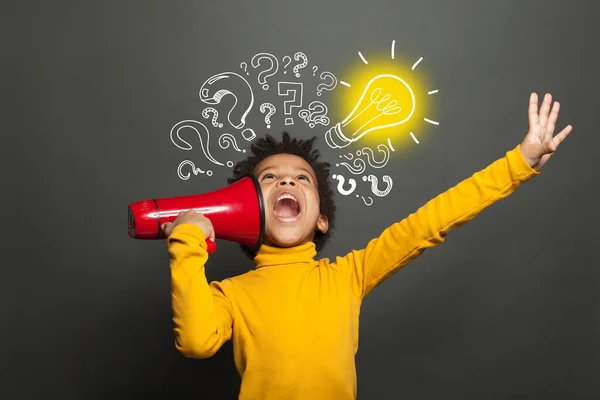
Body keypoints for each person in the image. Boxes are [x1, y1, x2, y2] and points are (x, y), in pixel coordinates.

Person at [161, 92, 572, 399]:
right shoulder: (229, 295)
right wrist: (188, 241)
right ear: (245, 212)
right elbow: (196, 341)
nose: (286, 181)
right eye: (269, 179)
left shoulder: (348, 275)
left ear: (321, 219)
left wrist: (518, 164)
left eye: (302, 179)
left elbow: (430, 221)